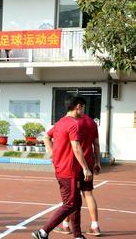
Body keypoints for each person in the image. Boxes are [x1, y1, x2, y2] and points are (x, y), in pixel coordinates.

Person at [31, 96, 93, 239]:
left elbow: (46, 137)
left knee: (76, 202)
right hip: (68, 171)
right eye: (83, 108)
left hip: (64, 169)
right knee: (70, 203)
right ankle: (43, 232)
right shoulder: (73, 124)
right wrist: (85, 168)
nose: (83, 111)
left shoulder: (60, 123)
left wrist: (53, 153)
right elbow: (76, 148)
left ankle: (77, 235)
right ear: (78, 107)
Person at [54, 112, 102, 236]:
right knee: (88, 193)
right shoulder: (92, 122)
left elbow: (73, 145)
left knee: (70, 197)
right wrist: (97, 162)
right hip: (89, 163)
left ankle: (65, 225)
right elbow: (96, 144)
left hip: (74, 164)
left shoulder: (72, 122)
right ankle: (95, 226)